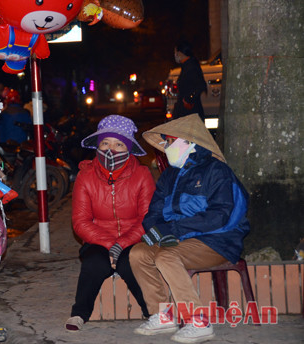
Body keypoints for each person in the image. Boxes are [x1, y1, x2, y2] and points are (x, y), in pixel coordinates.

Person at [129, 114, 250, 343]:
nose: (167, 147)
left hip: (217, 240)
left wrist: (173, 230)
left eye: (171, 142)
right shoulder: (170, 175)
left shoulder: (217, 172)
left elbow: (220, 215)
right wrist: (156, 232)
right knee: (138, 254)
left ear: (190, 143)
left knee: (166, 257)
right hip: (179, 239)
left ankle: (198, 321)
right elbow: (153, 212)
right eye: (165, 143)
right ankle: (162, 315)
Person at [65, 115, 156, 332]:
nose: (110, 150)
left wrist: (122, 243)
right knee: (94, 263)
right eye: (105, 143)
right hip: (98, 238)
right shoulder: (85, 176)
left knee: (130, 262)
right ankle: (79, 313)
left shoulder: (142, 174)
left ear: (129, 148)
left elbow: (148, 218)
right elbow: (80, 221)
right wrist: (109, 244)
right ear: (98, 145)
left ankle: (151, 312)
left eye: (118, 144)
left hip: (135, 238)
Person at [172, 41, 207, 121]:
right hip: (187, 112)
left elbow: (200, 85)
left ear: (180, 53)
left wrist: (188, 99)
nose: (175, 55)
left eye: (175, 52)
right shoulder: (186, 66)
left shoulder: (191, 67)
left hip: (190, 113)